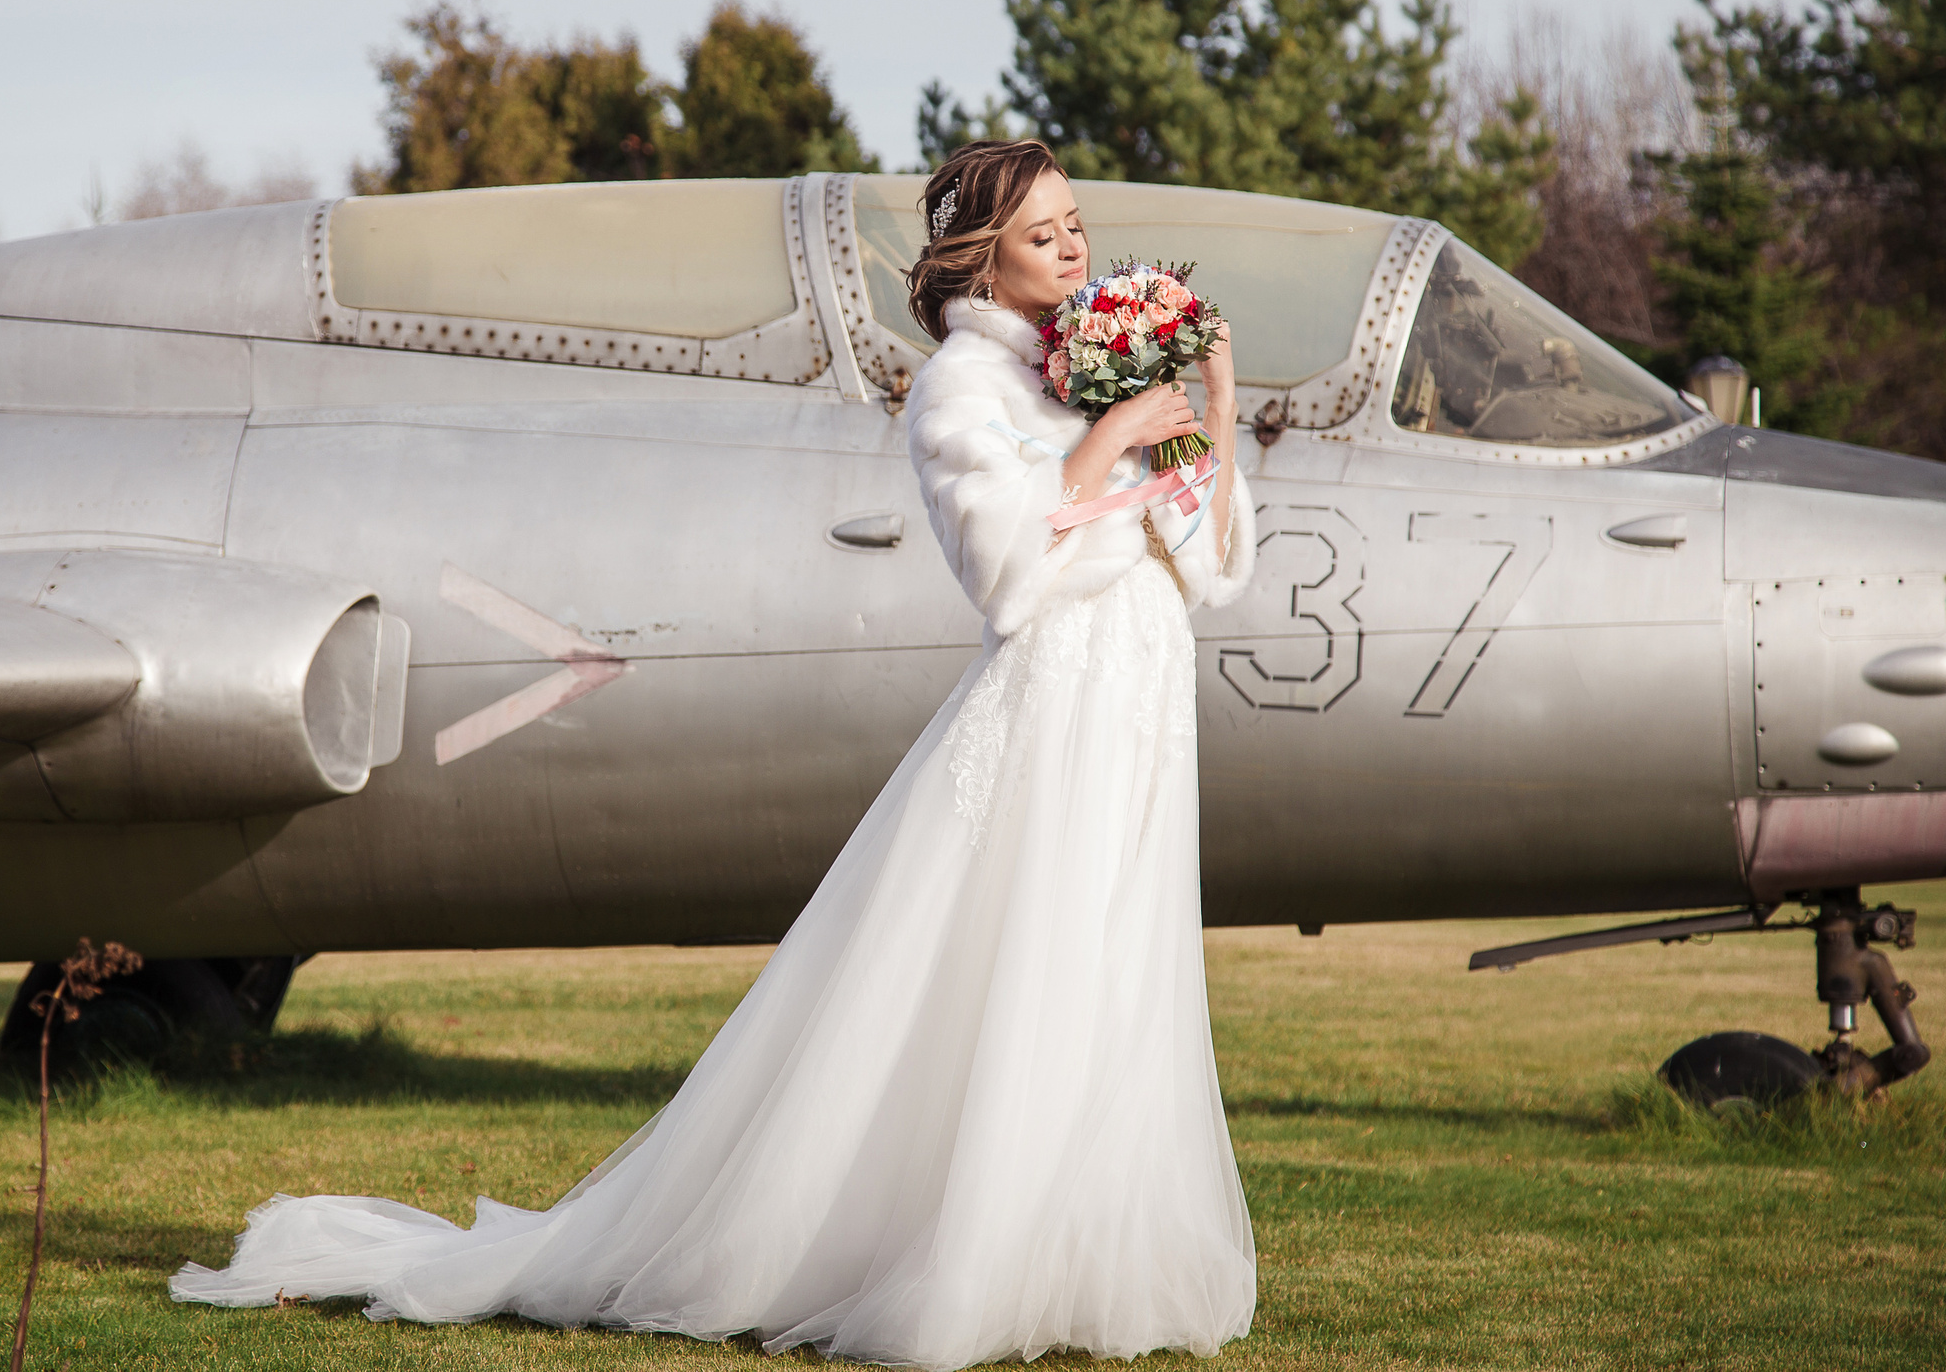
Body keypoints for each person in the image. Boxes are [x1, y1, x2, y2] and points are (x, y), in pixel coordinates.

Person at [172, 138, 1259, 1367]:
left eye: (1075, 223)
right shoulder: (962, 389)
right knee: (1018, 974)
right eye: (1042, 233)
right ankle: (953, 1264)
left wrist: (1209, 404)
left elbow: (1212, 565)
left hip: (1137, 710)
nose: (1072, 246)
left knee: (1111, 972)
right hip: (1051, 712)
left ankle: (1075, 1260)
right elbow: (1006, 581)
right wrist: (1107, 439)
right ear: (983, 261)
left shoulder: (1097, 363)